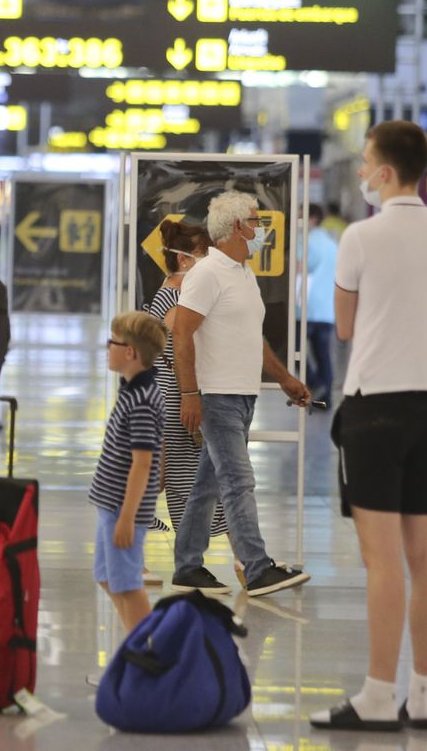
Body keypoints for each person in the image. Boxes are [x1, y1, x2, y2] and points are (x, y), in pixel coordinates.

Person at [312, 122, 427, 733]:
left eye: (365, 162)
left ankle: (378, 694)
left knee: (382, 561)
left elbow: (344, 327)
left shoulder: (361, 236)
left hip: (374, 409)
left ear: (385, 171)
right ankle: (421, 695)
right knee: (425, 558)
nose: (359, 173)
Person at [168, 190, 312, 598]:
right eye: (256, 220)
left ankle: (187, 566)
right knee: (237, 480)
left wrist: (285, 378)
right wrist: (189, 393)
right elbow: (181, 333)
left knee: (208, 485)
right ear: (236, 227)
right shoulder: (207, 273)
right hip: (215, 396)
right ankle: (258, 566)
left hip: (242, 395)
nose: (261, 229)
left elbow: (253, 339)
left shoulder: (243, 274)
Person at [142, 219, 226, 541]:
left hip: (173, 398)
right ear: (183, 259)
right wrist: (191, 394)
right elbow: (179, 351)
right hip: (173, 400)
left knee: (172, 479)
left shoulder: (174, 294)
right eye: (203, 253)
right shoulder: (176, 299)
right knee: (171, 479)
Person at [91, 311, 168, 632]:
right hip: (112, 505)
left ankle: (150, 654)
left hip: (122, 509)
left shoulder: (140, 399)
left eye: (113, 343)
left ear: (131, 352)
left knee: (127, 584)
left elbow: (143, 462)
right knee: (108, 578)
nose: (108, 348)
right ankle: (135, 646)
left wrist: (127, 516)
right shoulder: (132, 389)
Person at [306, 205, 339, 409]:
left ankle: (316, 384)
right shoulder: (332, 243)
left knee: (294, 353)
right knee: (323, 355)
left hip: (306, 308)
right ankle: (325, 397)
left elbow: (302, 267)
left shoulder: (305, 240)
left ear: (313, 218)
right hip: (326, 310)